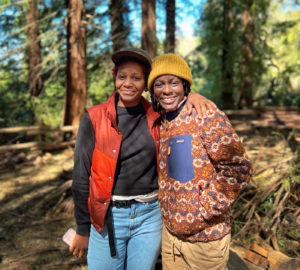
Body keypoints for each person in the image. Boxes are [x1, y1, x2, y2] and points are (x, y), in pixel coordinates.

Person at [70, 48, 216, 270]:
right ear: (115, 77)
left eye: (136, 78)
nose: (128, 83)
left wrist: (193, 96)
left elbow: (178, 103)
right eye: (122, 77)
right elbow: (81, 176)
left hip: (150, 217)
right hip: (108, 218)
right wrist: (82, 229)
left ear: (146, 83)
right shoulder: (94, 118)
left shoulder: (158, 116)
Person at [147, 53, 252, 270]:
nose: (166, 90)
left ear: (185, 86)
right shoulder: (163, 122)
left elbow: (238, 169)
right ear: (153, 91)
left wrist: (204, 210)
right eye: (159, 84)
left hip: (205, 241)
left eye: (174, 82)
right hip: (171, 239)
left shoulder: (205, 115)